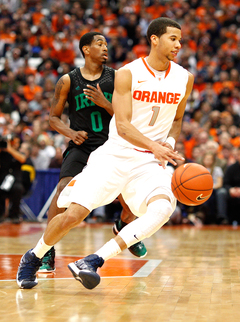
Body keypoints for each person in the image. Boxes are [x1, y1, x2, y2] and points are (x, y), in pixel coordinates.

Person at [17, 18, 193, 290]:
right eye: (173, 38)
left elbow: (178, 119)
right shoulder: (128, 73)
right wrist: (155, 145)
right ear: (154, 39)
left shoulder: (185, 77)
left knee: (163, 208)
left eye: (180, 39)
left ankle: (93, 261)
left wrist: (167, 141)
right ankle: (35, 254)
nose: (179, 45)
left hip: (148, 163)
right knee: (73, 215)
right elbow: (122, 125)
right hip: (115, 154)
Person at [37, 31, 147, 273]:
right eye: (100, 44)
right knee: (63, 191)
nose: (105, 48)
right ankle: (46, 249)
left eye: (106, 43)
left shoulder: (118, 78)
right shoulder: (68, 80)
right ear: (86, 49)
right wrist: (70, 133)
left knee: (131, 201)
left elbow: (128, 116)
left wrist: (105, 103)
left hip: (112, 145)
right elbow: (53, 118)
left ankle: (123, 226)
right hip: (82, 145)